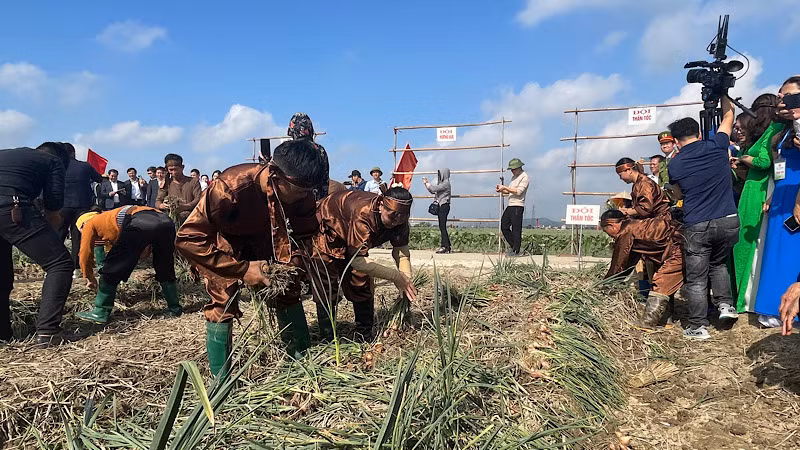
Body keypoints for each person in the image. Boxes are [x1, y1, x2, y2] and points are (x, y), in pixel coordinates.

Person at [175, 139, 326, 376]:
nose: (302, 198)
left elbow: (306, 234)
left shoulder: (302, 192)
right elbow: (187, 239)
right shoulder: (229, 188)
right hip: (226, 241)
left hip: (266, 237)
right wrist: (243, 270)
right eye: (298, 192)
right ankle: (221, 379)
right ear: (275, 174)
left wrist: (297, 264)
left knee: (287, 287)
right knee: (223, 300)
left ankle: (299, 360)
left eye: (307, 192)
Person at [667, 95, 740, 340]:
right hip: (729, 218)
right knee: (718, 264)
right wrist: (724, 95)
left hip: (698, 223)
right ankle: (726, 306)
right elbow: (729, 117)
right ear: (699, 133)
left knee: (696, 277)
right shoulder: (718, 145)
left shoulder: (675, 165)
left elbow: (677, 193)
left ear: (676, 141)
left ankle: (698, 326)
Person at [310, 187, 416, 341]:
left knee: (361, 280)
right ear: (381, 205)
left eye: (402, 218)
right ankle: (328, 338)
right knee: (326, 284)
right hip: (329, 234)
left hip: (354, 242)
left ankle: (364, 335)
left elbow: (401, 251)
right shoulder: (364, 214)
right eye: (392, 217)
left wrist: (406, 279)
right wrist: (395, 276)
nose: (396, 222)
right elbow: (358, 261)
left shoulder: (400, 220)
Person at [0, 143, 74, 346]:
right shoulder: (53, 161)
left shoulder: (8, 154)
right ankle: (48, 331)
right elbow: (53, 203)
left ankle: (2, 334)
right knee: (60, 263)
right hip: (11, 208)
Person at [731, 93, 790, 313]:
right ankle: (744, 296)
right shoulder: (764, 132)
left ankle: (748, 298)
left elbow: (765, 161)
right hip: (752, 187)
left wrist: (745, 159)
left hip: (761, 189)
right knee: (746, 242)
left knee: (753, 243)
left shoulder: (774, 130)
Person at [74, 206, 181, 324]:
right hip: (166, 221)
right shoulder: (109, 217)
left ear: (82, 225)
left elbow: (85, 254)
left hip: (140, 222)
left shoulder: (89, 223)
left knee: (110, 269)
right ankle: (174, 308)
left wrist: (89, 277)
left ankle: (100, 311)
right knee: (164, 265)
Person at [755, 76, 800, 325]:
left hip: (797, 196)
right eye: (780, 95)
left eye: (789, 95)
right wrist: (773, 195)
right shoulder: (784, 130)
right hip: (782, 195)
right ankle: (774, 306)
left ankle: (792, 310)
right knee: (775, 251)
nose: (781, 99)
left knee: (793, 253)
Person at [600, 210, 683, 328]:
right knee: (667, 284)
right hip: (676, 246)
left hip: (679, 247)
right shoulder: (634, 226)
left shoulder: (625, 232)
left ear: (611, 226)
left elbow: (618, 264)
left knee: (661, 280)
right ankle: (665, 320)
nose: (608, 235)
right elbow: (628, 263)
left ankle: (647, 323)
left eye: (606, 231)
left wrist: (605, 284)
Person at [60, 142, 103, 278]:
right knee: (78, 238)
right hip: (82, 207)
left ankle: (56, 266)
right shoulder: (85, 166)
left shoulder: (58, 167)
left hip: (62, 206)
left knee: (58, 237)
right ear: (74, 153)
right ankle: (76, 269)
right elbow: (99, 178)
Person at [288, 113, 330, 199]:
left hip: (295, 204)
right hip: (318, 202)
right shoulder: (320, 149)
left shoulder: (289, 150)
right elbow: (325, 178)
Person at [497, 158, 529, 256]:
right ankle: (514, 246)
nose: (512, 171)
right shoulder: (514, 177)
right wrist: (502, 190)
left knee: (516, 228)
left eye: (513, 169)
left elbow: (518, 192)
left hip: (518, 205)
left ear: (519, 168)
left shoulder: (524, 177)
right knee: (504, 225)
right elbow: (511, 190)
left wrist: (505, 187)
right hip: (510, 204)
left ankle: (517, 250)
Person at [156, 154, 202, 222]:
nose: (174, 172)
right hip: (172, 219)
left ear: (182, 167)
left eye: (176, 169)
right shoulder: (166, 183)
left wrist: (185, 207)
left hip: (192, 219)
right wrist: (161, 205)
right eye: (171, 170)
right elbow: (158, 201)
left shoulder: (193, 182)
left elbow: (198, 199)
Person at [423, 168, 452, 254]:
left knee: (442, 227)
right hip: (442, 206)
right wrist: (427, 185)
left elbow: (433, 189)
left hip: (444, 206)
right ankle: (447, 246)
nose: (439, 176)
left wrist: (426, 183)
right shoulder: (443, 184)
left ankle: (445, 246)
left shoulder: (445, 184)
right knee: (441, 226)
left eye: (440, 174)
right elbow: (432, 191)